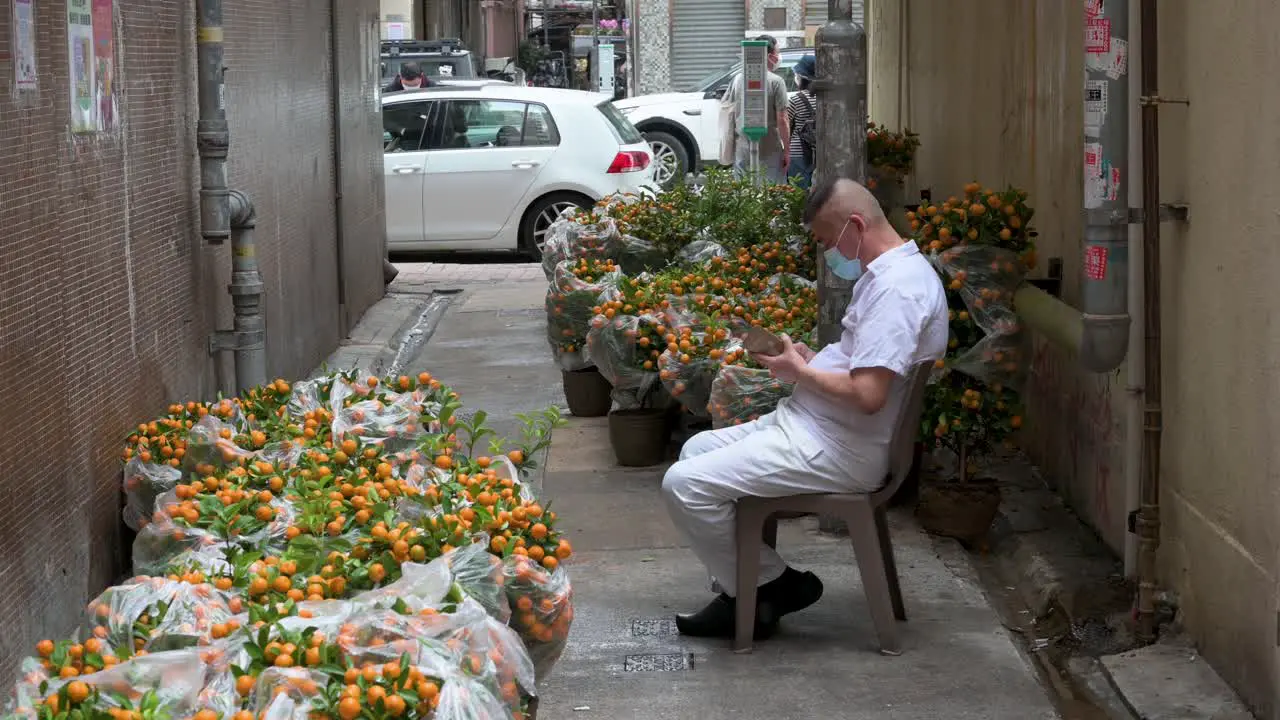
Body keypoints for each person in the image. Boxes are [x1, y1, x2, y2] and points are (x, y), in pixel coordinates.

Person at [660, 178, 949, 639]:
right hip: (818, 426)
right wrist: (813, 363)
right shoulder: (889, 276)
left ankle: (771, 586)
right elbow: (865, 368)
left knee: (684, 484)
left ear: (855, 225)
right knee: (695, 449)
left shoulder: (898, 291)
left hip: (838, 448)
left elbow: (869, 395)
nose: (826, 253)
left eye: (825, 241)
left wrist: (799, 373)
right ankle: (748, 594)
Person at [720, 35, 790, 184]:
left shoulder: (738, 79)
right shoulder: (776, 82)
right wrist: (787, 151)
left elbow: (729, 112)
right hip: (770, 149)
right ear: (770, 56)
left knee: (744, 195)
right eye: (778, 52)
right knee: (770, 193)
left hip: (742, 147)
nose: (779, 56)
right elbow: (782, 119)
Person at [786, 55, 817, 188]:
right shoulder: (824, 98)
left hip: (798, 154)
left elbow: (785, 123)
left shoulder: (796, 99)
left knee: (797, 193)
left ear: (801, 77)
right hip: (820, 152)